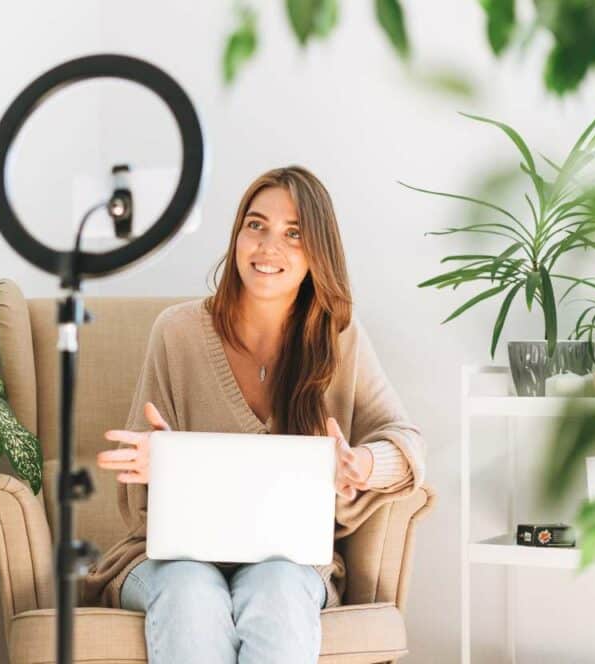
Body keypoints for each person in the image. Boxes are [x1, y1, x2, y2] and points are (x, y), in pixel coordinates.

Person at [82, 165, 426, 663]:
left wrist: (363, 464)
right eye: (256, 225)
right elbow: (139, 501)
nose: (268, 247)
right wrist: (158, 467)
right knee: (191, 594)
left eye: (293, 234)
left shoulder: (338, 340)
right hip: (170, 561)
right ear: (237, 234)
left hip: (286, 564)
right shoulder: (177, 332)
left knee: (279, 591)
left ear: (318, 253)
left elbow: (408, 443)